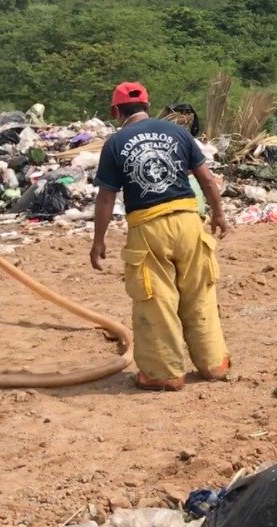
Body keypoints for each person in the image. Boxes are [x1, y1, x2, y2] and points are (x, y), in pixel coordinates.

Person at [90, 82, 231, 391]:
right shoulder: (179, 133)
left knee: (156, 300)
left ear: (115, 111)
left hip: (148, 227)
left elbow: (106, 198)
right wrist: (218, 214)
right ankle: (213, 363)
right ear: (148, 106)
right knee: (199, 291)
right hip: (188, 221)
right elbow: (206, 179)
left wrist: (98, 242)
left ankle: (162, 373)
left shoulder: (115, 143)